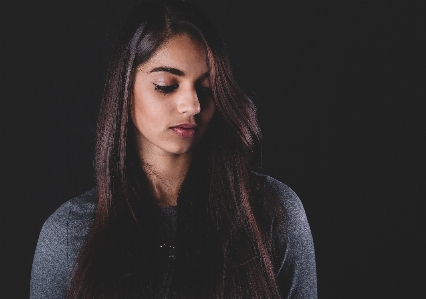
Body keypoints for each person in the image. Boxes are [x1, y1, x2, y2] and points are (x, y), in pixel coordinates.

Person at [30, 1, 317, 298]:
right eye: (166, 85)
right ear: (125, 88)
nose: (192, 106)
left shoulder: (272, 213)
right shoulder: (68, 235)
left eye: (206, 88)